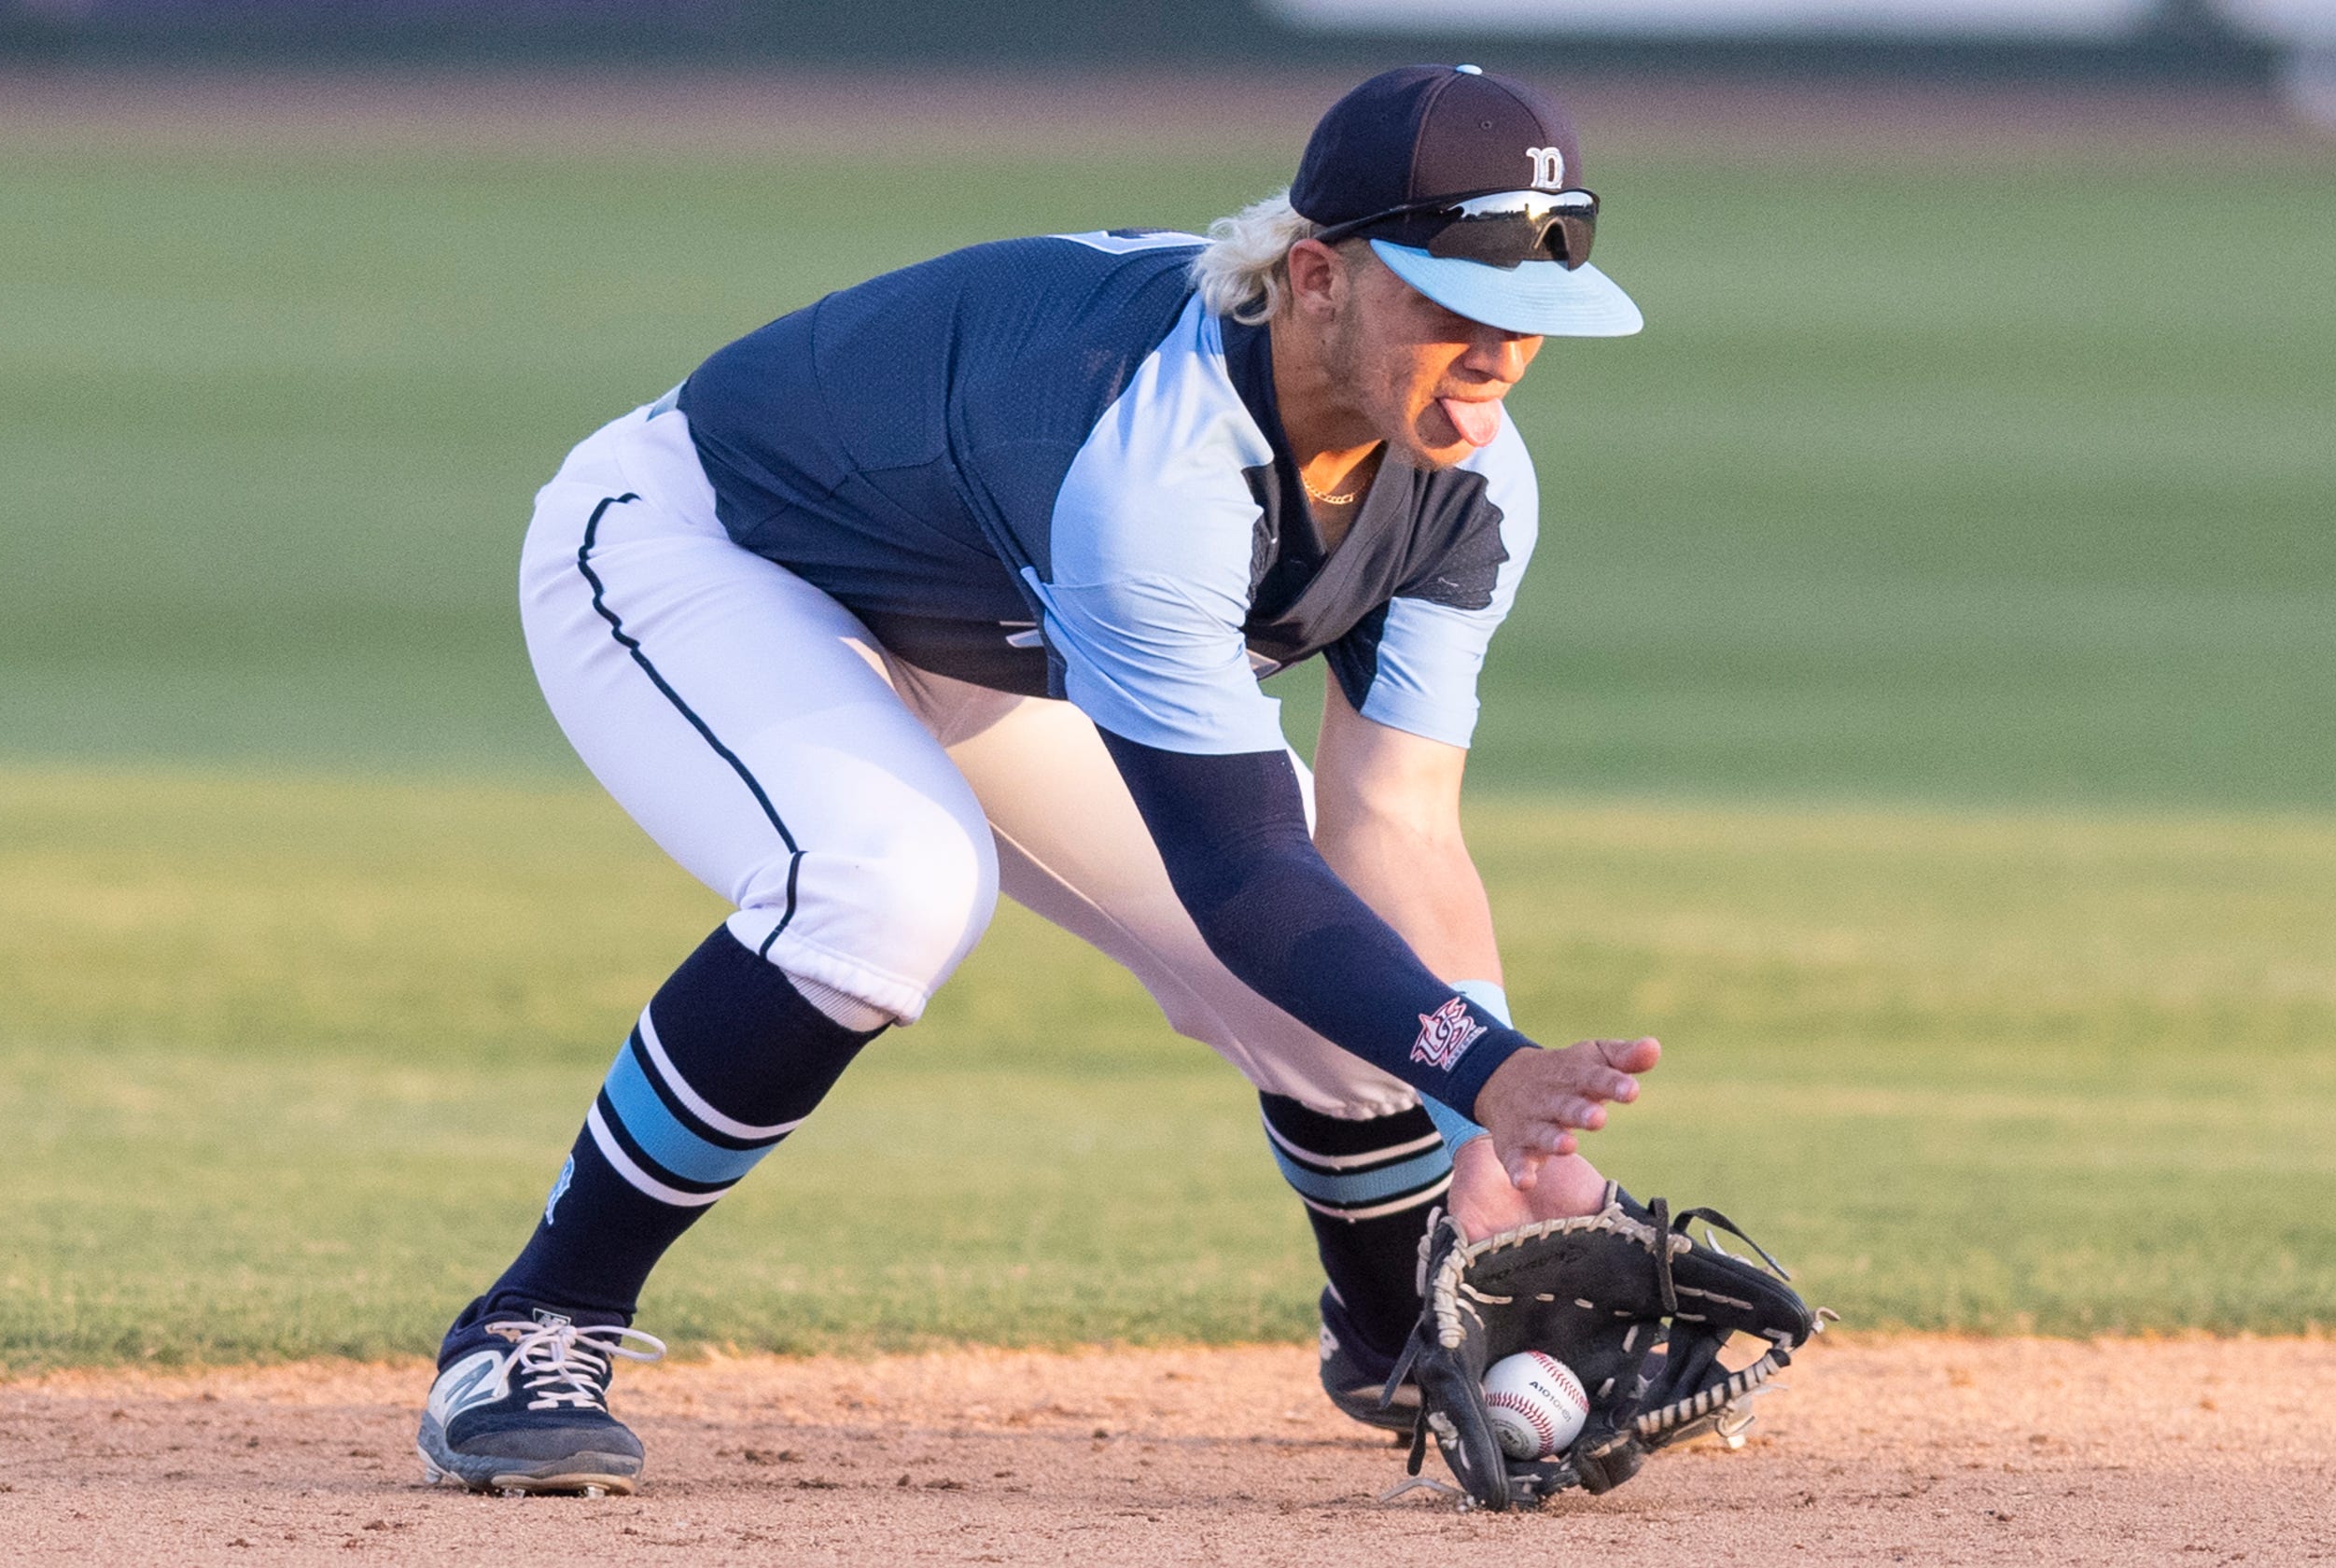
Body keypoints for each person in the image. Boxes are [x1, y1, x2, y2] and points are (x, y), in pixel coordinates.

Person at [417, 63, 1660, 1497]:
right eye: (1458, 305)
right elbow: (1248, 874)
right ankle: (531, 1324)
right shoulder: (1156, 460)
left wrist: (1488, 1119)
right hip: (708, 551)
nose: (1501, 354)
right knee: (887, 891)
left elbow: (1395, 829)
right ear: (1319, 275)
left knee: (1358, 1007)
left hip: (986, 627)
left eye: (1533, 319)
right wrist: (1488, 1073)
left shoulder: (1471, 482)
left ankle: (1404, 1337)